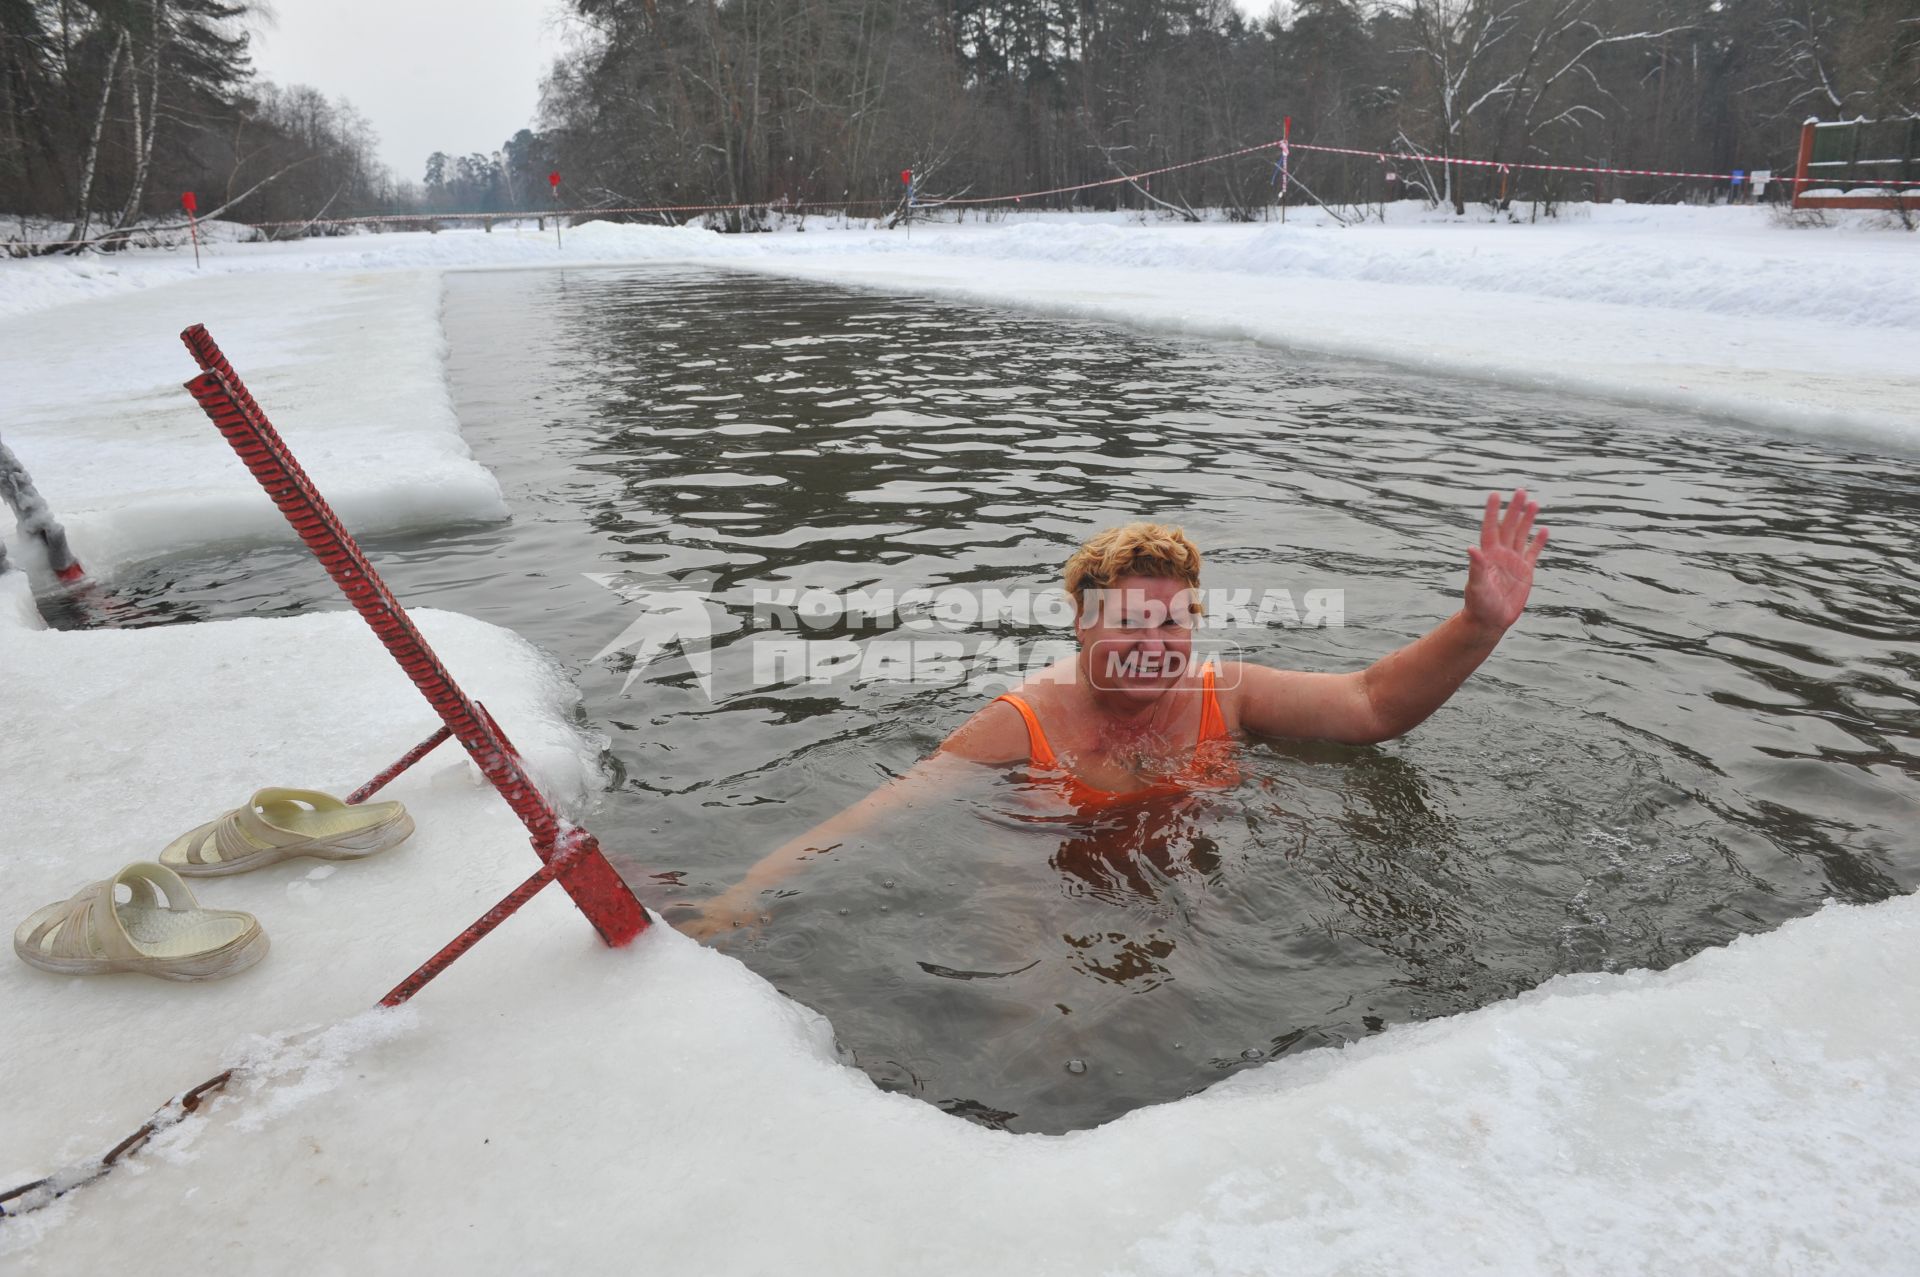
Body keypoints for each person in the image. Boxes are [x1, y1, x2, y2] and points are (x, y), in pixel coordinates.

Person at [670, 489, 1548, 939]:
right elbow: (875, 813)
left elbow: (1369, 704)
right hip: (1050, 893)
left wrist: (1476, 627)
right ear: (1084, 621)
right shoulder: (1021, 722)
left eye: (1173, 620)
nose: (1155, 643)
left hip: (1201, 882)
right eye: (1130, 620)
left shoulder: (1223, 691)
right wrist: (750, 891)